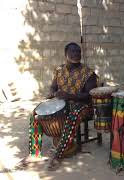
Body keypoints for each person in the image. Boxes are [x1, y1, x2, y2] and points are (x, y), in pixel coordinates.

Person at [20, 42, 98, 170]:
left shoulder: (88, 73)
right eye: (73, 51)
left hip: (82, 106)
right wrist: (51, 93)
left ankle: (58, 155)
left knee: (72, 115)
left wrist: (69, 96)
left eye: (78, 52)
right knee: (35, 113)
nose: (76, 54)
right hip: (61, 103)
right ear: (66, 54)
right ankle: (34, 153)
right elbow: (53, 87)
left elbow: (89, 95)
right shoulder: (59, 70)